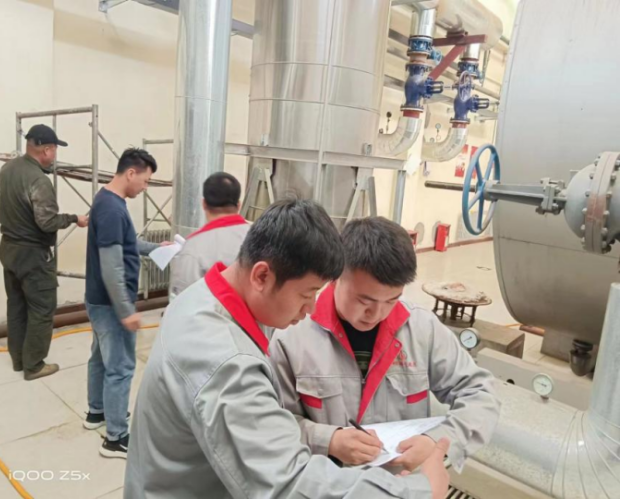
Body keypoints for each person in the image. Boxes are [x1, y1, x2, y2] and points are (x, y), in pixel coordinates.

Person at [125, 199, 450, 499]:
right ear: (262, 276)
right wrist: (420, 491)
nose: (310, 309)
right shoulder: (227, 363)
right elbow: (288, 483)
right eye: (306, 294)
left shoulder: (200, 297)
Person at [270, 216, 500, 473]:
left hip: (399, 485)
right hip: (327, 484)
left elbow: (481, 394)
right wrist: (328, 440)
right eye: (364, 301)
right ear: (335, 277)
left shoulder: (422, 330)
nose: (376, 314)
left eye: (391, 300)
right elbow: (271, 423)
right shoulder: (292, 337)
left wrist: (437, 442)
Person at [83, 148, 169, 459]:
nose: (145, 187)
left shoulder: (107, 200)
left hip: (97, 299)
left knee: (99, 359)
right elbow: (111, 267)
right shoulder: (112, 210)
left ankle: (96, 413)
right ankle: (116, 438)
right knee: (120, 369)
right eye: (145, 181)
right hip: (110, 305)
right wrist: (125, 311)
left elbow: (127, 243)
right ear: (131, 173)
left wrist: (155, 248)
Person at [0, 124, 88, 380]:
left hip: (9, 249)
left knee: (16, 305)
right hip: (32, 255)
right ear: (47, 150)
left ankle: (18, 360)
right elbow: (46, 222)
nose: (55, 154)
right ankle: (34, 365)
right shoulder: (39, 180)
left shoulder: (7, 169)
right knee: (41, 308)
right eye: (55, 149)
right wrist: (74, 218)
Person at [169, 172, 249, 298]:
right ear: (239, 205)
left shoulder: (194, 247)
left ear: (204, 204)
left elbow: (182, 299)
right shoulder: (261, 236)